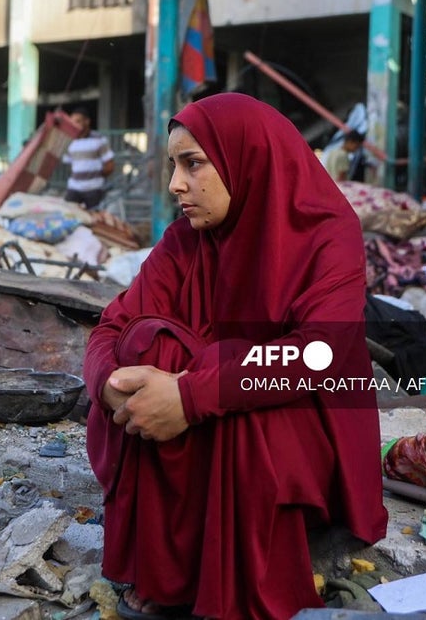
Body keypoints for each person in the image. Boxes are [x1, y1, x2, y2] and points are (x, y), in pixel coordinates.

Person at [84, 93, 387, 620]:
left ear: (246, 157)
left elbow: (316, 356)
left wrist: (190, 395)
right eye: (174, 166)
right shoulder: (185, 241)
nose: (177, 184)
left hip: (308, 420)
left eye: (193, 164)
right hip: (214, 409)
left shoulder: (328, 234)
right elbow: (109, 327)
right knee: (145, 346)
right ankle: (165, 568)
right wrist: (111, 383)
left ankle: (230, 588)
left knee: (218, 370)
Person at [62, 107, 115, 209]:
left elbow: (110, 166)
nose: (74, 125)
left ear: (87, 121)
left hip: (93, 188)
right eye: (72, 122)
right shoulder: (69, 141)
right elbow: (70, 164)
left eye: (78, 121)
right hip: (74, 187)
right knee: (69, 214)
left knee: (94, 218)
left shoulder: (99, 140)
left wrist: (95, 176)